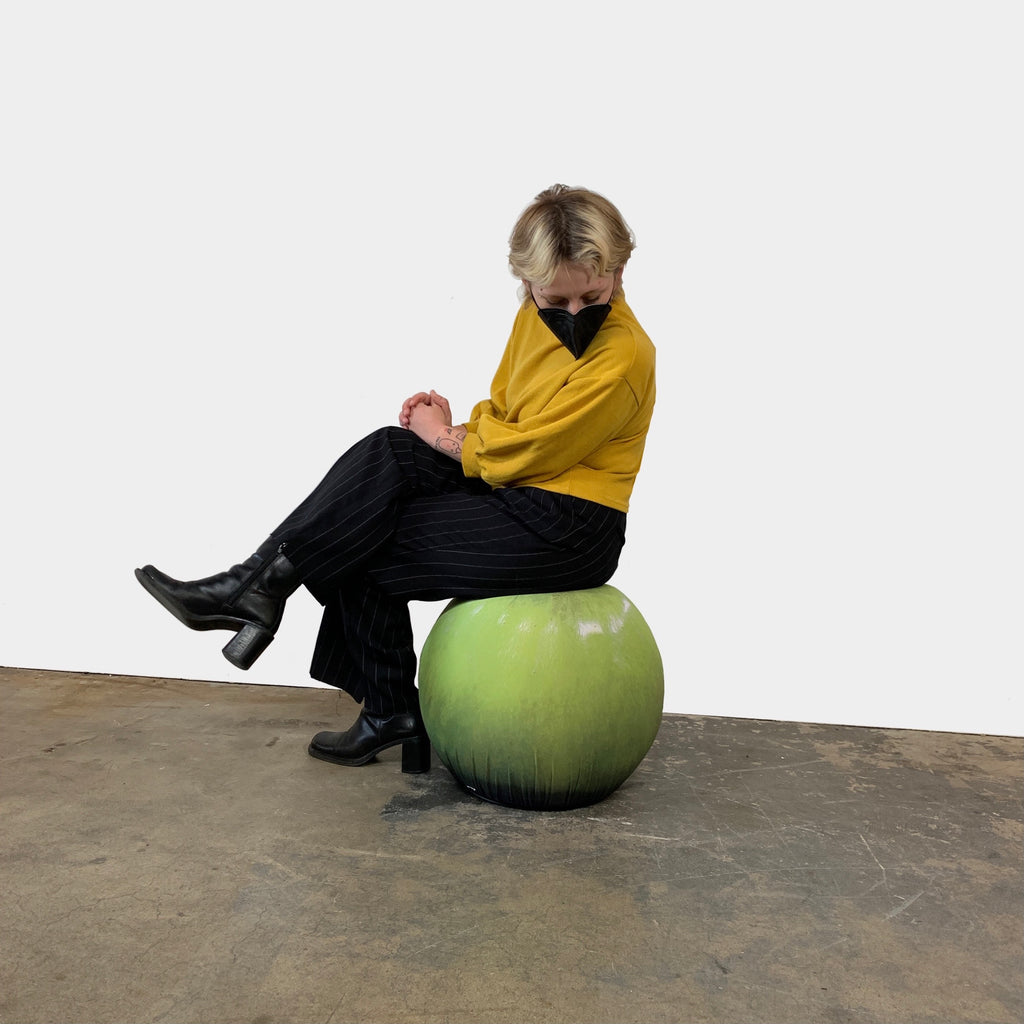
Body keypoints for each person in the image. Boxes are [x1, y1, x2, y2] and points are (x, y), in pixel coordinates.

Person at [135, 184, 656, 775]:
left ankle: (342, 670)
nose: (575, 314)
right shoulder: (532, 318)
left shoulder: (623, 357)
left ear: (618, 270)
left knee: (362, 539)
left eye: (593, 295)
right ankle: (259, 588)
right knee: (387, 455)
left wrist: (440, 436)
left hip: (569, 527)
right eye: (555, 299)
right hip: (519, 492)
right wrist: (455, 427)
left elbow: (531, 452)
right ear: (527, 282)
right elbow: (510, 412)